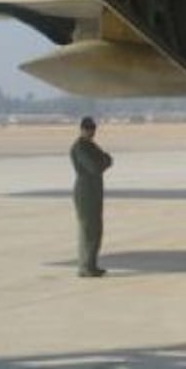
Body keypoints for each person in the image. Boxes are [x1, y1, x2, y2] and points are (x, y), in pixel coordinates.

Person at [71, 116, 112, 278]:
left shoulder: (90, 146)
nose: (91, 132)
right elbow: (95, 166)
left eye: (93, 129)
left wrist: (104, 161)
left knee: (95, 230)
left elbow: (106, 159)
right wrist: (104, 161)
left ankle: (91, 265)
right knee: (88, 229)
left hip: (94, 191)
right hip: (85, 192)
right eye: (88, 129)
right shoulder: (80, 147)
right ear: (82, 129)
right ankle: (85, 267)